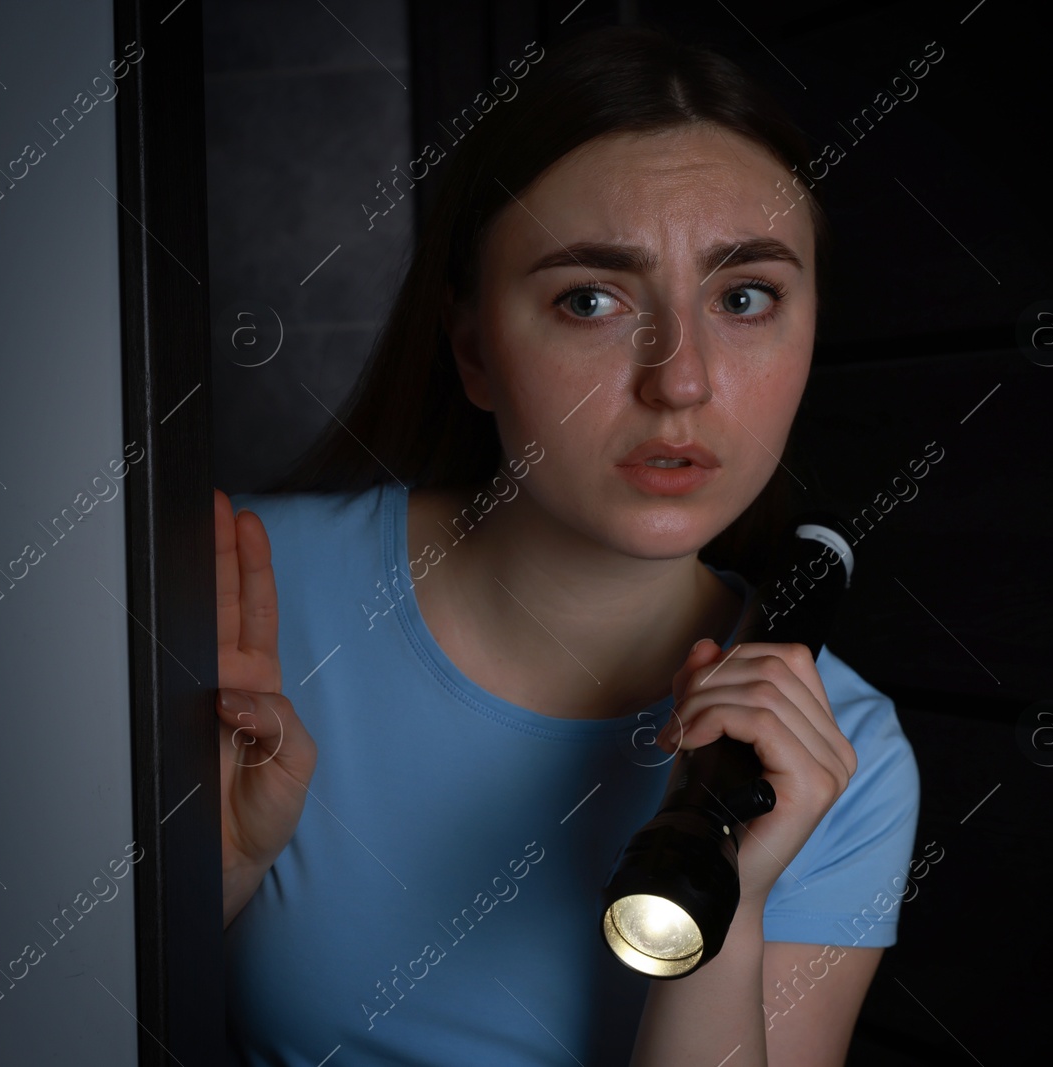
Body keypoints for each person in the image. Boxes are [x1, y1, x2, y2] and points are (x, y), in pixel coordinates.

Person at [214, 24, 919, 1067]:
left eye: (744, 296)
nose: (678, 380)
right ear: (475, 351)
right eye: (590, 299)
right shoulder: (242, 593)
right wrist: (199, 879)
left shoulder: (836, 756)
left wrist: (728, 875)